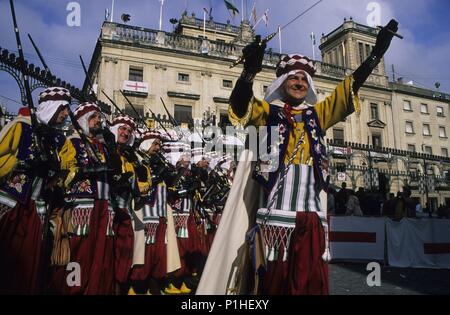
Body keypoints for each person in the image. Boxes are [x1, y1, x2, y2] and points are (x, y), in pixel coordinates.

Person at [198, 19, 399, 295]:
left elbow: (347, 90)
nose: (300, 82)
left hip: (310, 219)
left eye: (305, 79)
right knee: (273, 284)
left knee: (308, 284)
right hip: (275, 220)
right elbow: (239, 107)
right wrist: (248, 73)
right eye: (294, 77)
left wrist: (375, 56)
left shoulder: (319, 115)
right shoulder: (266, 113)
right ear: (282, 82)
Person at [0, 87, 73, 294]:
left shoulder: (59, 140)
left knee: (30, 265)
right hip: (9, 203)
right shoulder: (21, 127)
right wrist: (20, 162)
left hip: (38, 208)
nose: (67, 114)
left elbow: (65, 174)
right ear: (52, 107)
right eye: (63, 109)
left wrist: (57, 175)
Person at [47, 102, 117, 294]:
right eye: (94, 117)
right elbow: (63, 171)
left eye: (99, 117)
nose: (98, 121)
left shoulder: (102, 146)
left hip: (105, 204)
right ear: (83, 119)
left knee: (101, 253)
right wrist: (84, 170)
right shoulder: (72, 140)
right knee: (79, 252)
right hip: (81, 204)